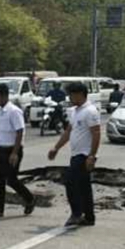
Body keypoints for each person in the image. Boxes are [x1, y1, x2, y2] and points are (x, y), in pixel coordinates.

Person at [47, 82, 101, 227]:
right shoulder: (75, 111)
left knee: (69, 181)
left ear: (80, 94)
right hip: (76, 154)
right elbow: (68, 132)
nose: (69, 98)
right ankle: (89, 217)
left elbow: (96, 133)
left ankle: (76, 213)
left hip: (83, 155)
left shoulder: (90, 111)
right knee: (84, 186)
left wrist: (92, 156)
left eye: (71, 94)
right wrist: (56, 148)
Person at [0, 83, 36, 218]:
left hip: (12, 150)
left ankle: (30, 199)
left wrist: (14, 153)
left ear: (3, 96)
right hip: (1, 149)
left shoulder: (14, 111)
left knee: (11, 179)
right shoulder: (0, 111)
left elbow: (20, 131)